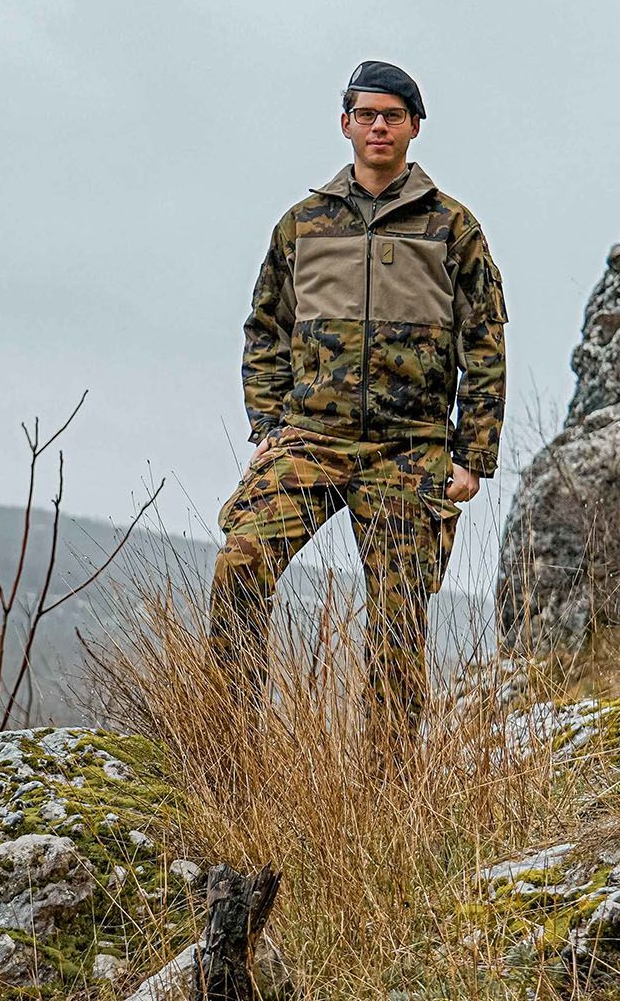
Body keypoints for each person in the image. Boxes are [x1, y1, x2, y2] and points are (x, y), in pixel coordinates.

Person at [208, 58, 508, 754]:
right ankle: (225, 756)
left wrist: (474, 456)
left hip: (409, 449)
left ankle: (388, 789)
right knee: (241, 563)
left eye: (393, 115)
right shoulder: (303, 225)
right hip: (311, 439)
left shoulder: (451, 228)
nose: (379, 126)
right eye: (367, 114)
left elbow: (484, 343)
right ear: (345, 124)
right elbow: (266, 329)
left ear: (414, 128)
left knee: (400, 622)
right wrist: (268, 426)